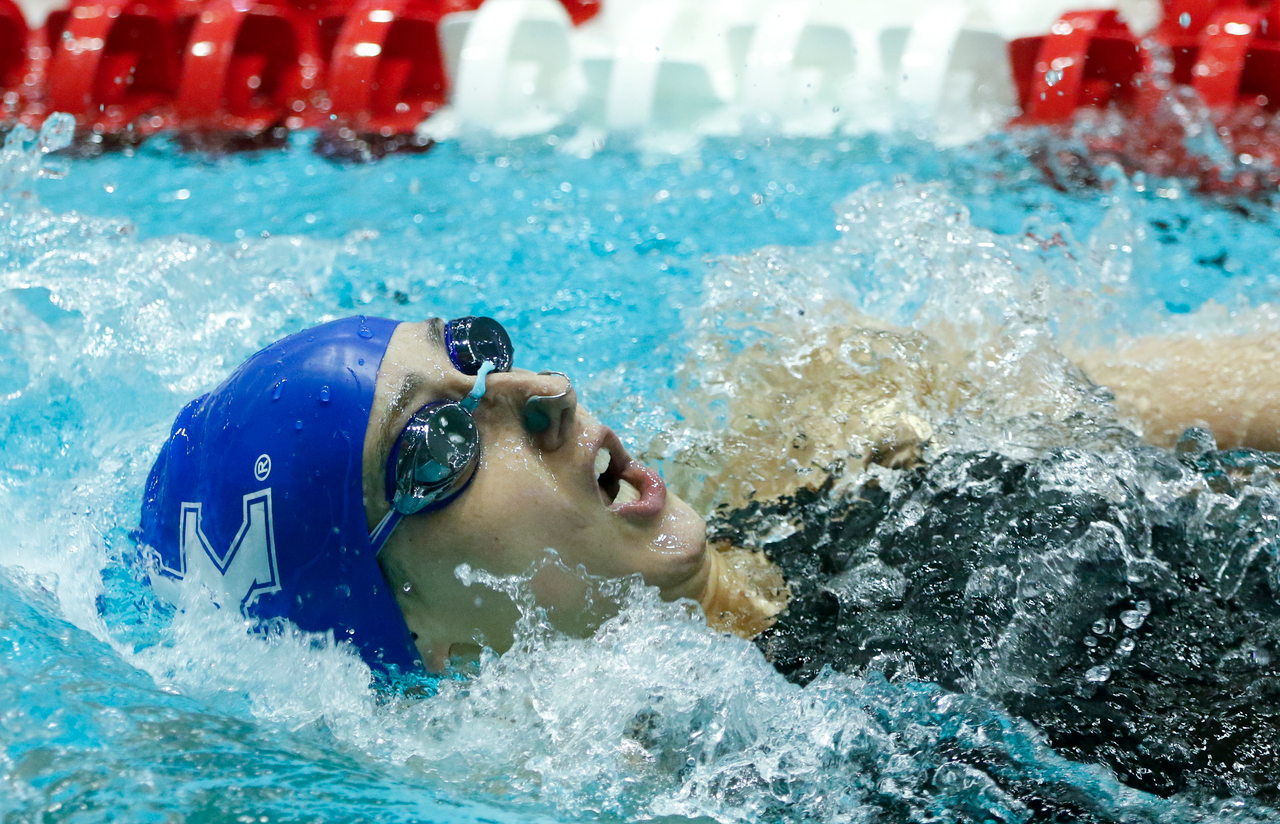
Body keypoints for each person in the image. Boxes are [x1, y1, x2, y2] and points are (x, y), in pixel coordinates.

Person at [140, 312, 1280, 803]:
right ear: (421, 647)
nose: (542, 394)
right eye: (437, 442)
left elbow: (1211, 390)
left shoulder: (832, 443)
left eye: (472, 352)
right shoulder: (758, 783)